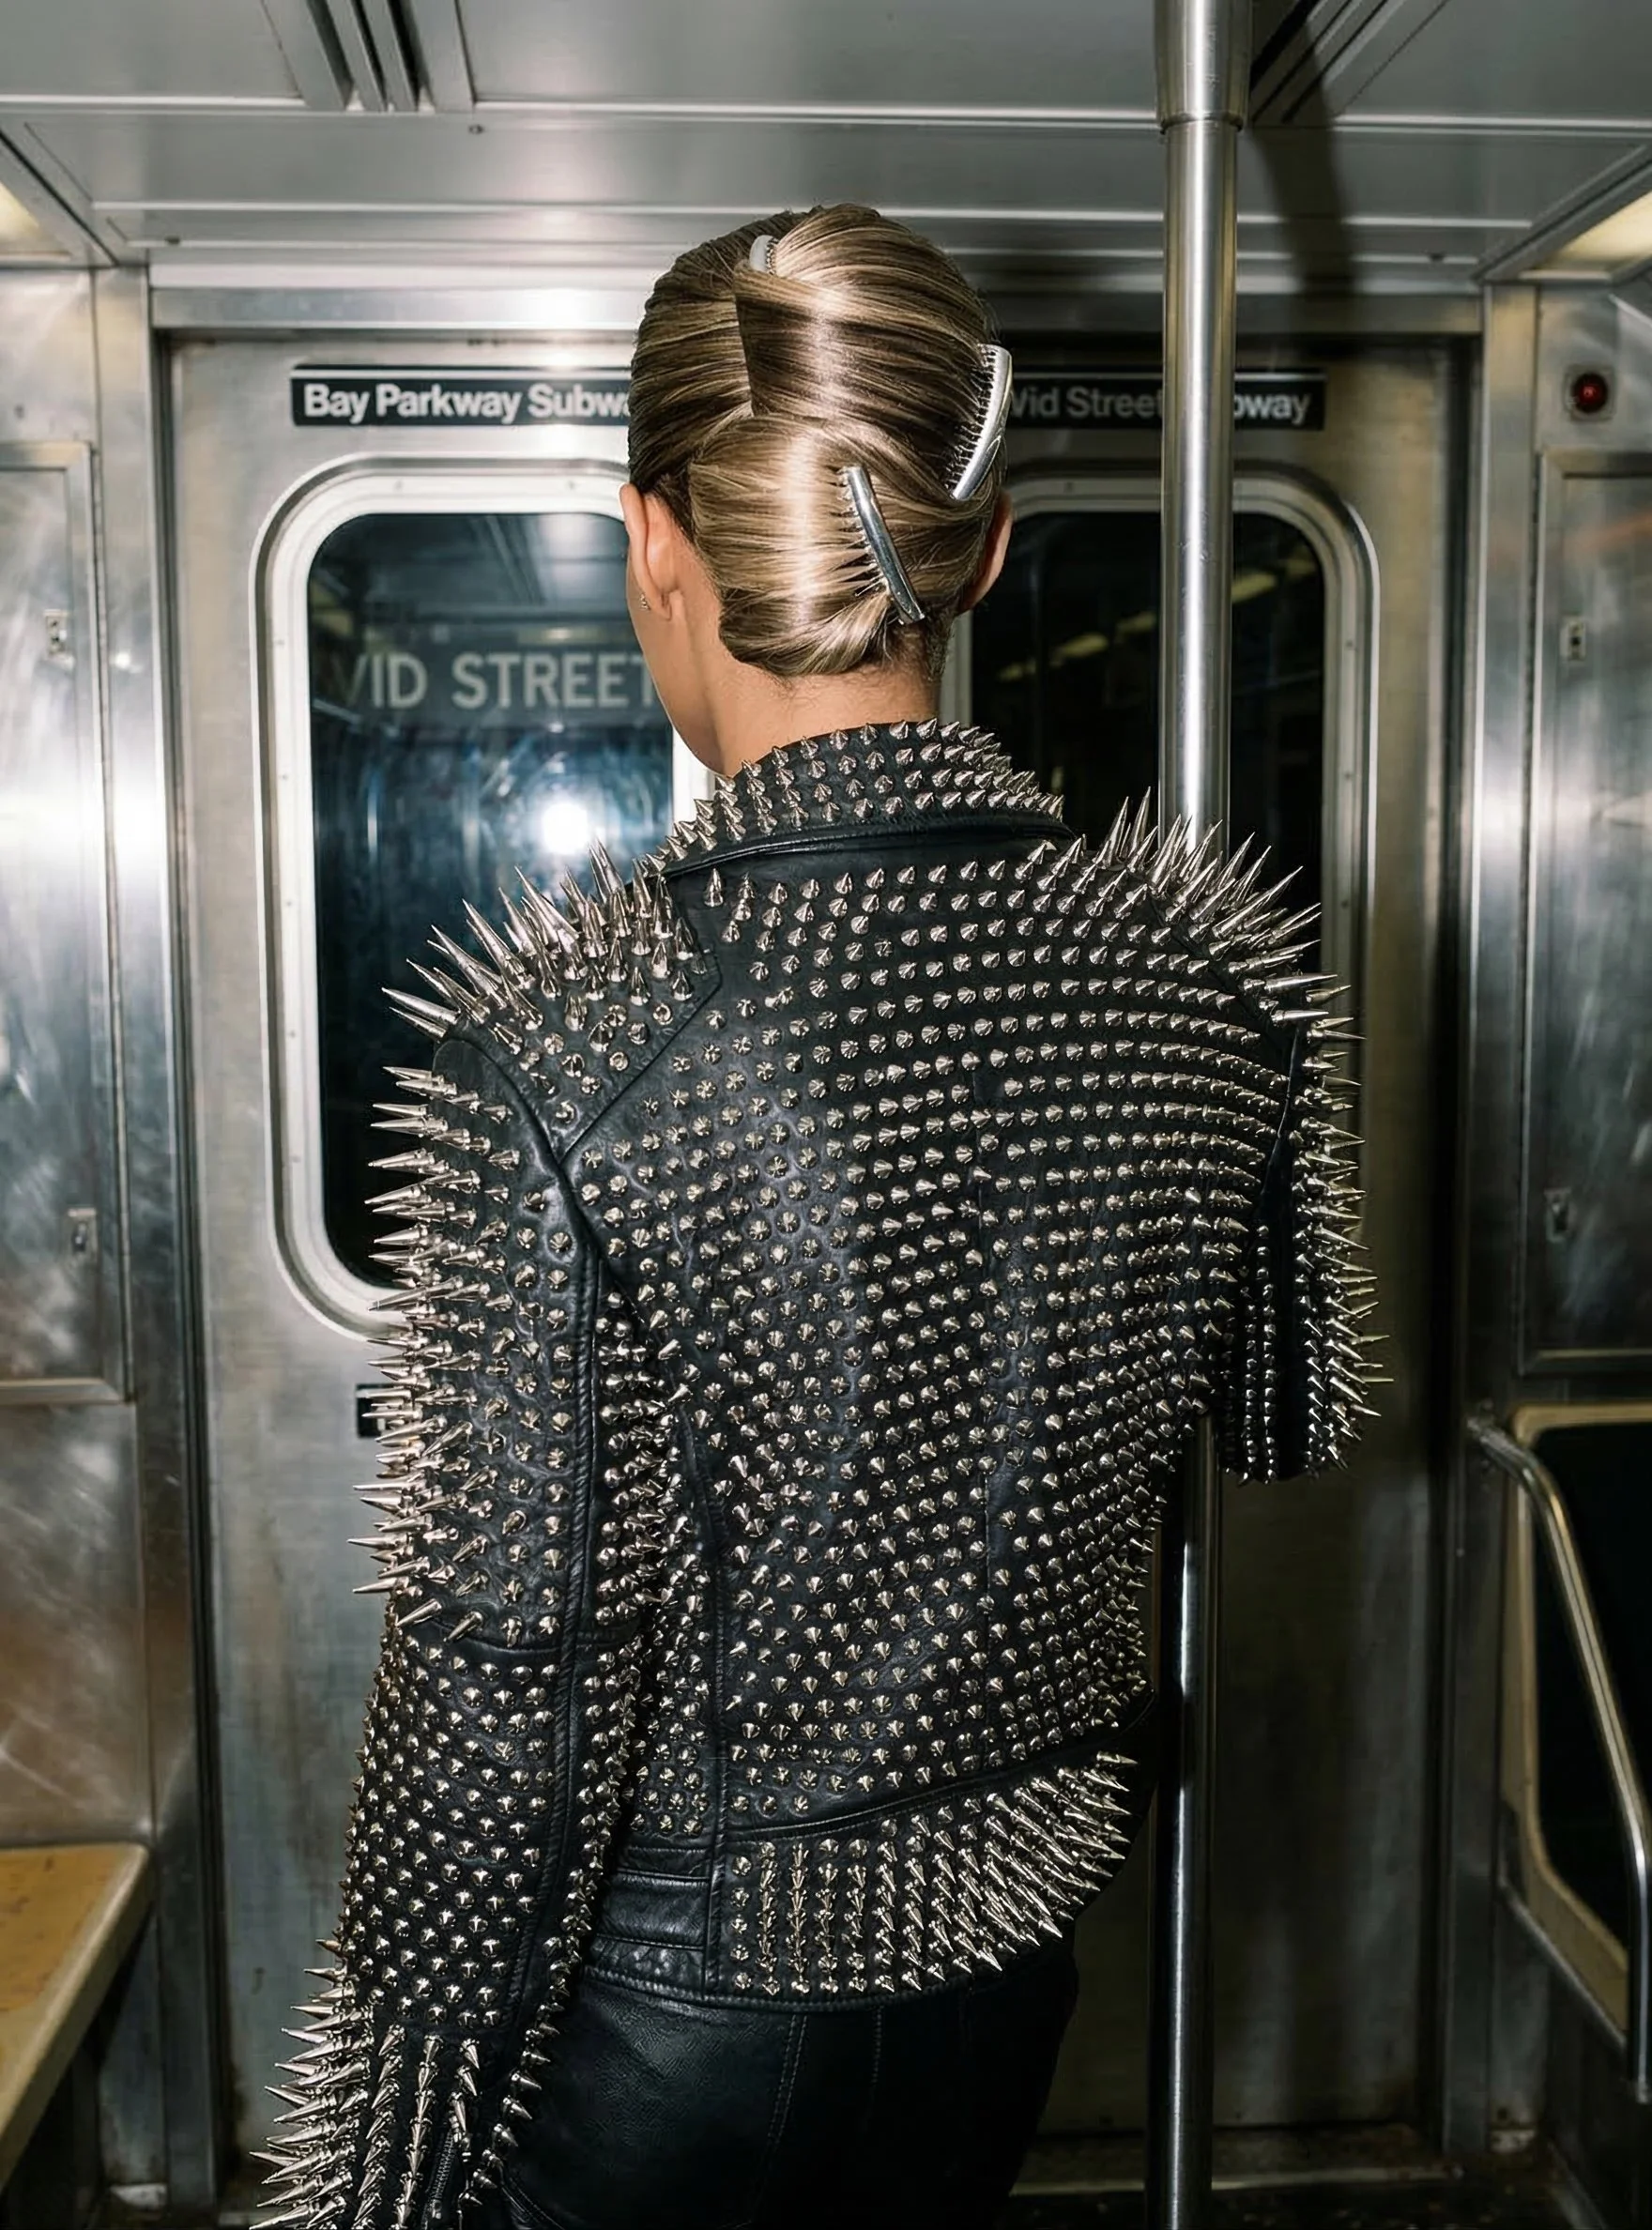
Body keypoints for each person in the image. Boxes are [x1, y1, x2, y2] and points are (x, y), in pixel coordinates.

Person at [263, 204, 1371, 2230]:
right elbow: (1283, 1412)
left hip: (671, 2024)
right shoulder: (1215, 978)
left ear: (653, 541)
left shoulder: (567, 1045)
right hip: (1005, 1961)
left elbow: (506, 1695)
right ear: (988, 548)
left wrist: (378, 2180)